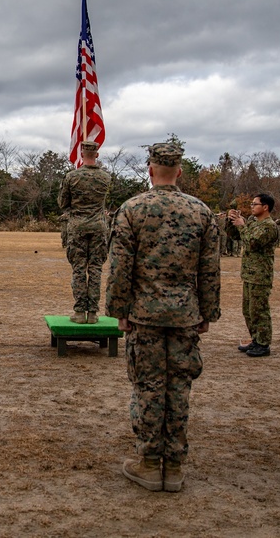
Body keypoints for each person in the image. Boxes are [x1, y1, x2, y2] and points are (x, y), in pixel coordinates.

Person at [107, 142, 221, 493]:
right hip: (186, 315)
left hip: (145, 316)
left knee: (149, 388)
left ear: (150, 170)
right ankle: (172, 466)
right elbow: (210, 270)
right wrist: (207, 312)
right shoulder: (200, 212)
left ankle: (148, 462)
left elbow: (120, 269)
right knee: (179, 388)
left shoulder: (132, 209)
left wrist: (118, 311)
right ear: (180, 172)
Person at [58, 140, 112, 323]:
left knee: (79, 269)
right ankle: (93, 313)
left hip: (77, 227)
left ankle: (80, 312)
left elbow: (62, 203)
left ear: (81, 154)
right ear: (97, 154)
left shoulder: (71, 177)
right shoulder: (105, 177)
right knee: (95, 269)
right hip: (98, 227)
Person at [226, 194, 279, 357]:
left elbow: (252, 242)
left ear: (265, 207)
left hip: (260, 275)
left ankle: (263, 344)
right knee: (248, 310)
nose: (251, 206)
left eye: (255, 204)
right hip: (249, 273)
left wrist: (242, 225)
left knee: (259, 310)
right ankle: (256, 339)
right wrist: (232, 221)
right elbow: (235, 236)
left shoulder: (269, 226)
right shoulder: (252, 222)